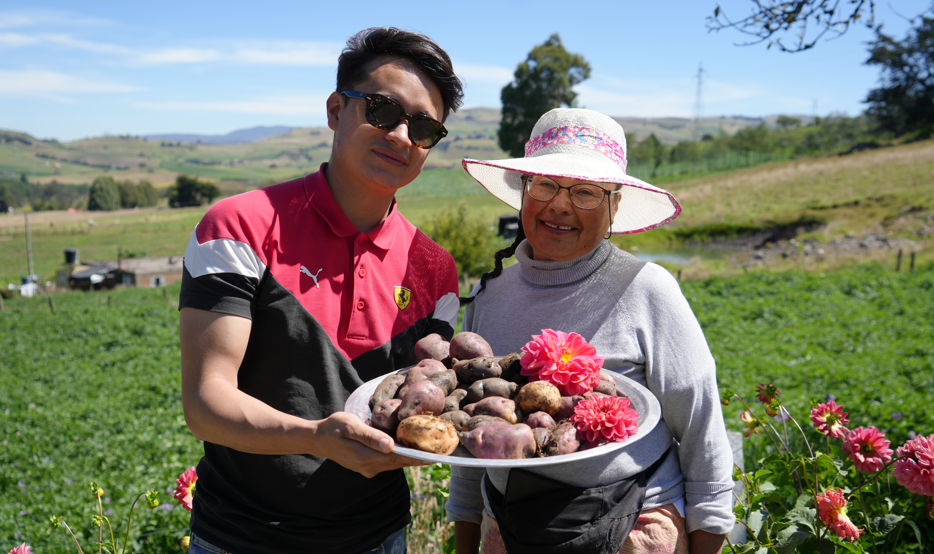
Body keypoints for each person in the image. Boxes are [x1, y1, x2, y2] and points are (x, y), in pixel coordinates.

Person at [178, 27, 464, 554]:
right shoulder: (238, 227)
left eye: (424, 127)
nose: (401, 135)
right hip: (242, 539)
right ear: (336, 109)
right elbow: (204, 401)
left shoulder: (436, 271)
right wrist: (315, 438)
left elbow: (428, 399)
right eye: (382, 110)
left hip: (380, 537)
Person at [446, 108, 735, 554]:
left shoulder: (647, 289)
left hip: (634, 528)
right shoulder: (491, 294)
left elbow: (700, 425)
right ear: (524, 190)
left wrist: (710, 534)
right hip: (509, 527)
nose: (560, 205)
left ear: (615, 205)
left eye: (585, 192)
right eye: (545, 184)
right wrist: (466, 531)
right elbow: (472, 429)